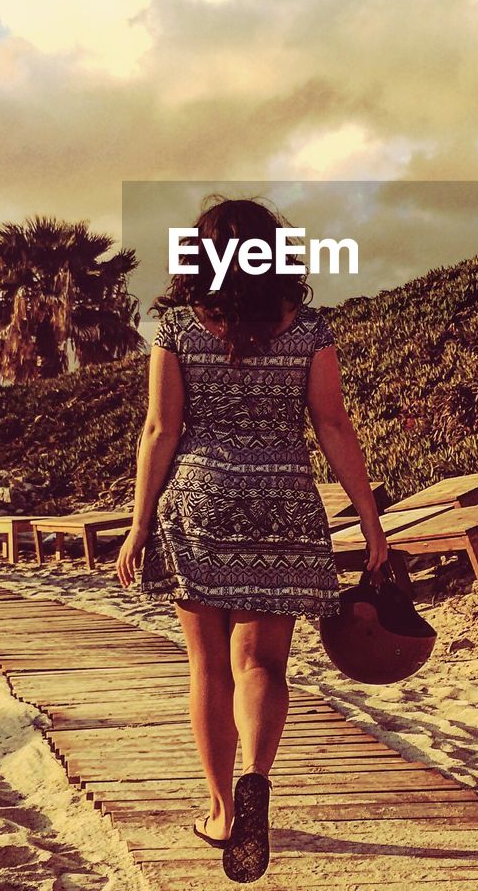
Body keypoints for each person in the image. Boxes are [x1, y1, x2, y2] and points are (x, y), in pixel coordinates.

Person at [115, 196, 388, 884]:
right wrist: (367, 513)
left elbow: (160, 431)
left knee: (207, 666)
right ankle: (256, 779)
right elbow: (332, 424)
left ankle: (220, 811)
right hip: (286, 506)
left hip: (202, 504)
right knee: (262, 664)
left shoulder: (175, 328)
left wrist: (141, 521)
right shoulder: (310, 329)